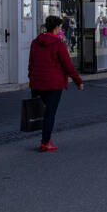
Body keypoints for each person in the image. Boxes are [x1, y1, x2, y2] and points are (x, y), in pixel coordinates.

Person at [27, 15, 84, 152]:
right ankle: (45, 142)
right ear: (57, 28)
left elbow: (31, 63)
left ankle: (46, 139)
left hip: (37, 83)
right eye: (60, 27)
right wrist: (78, 81)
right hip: (53, 84)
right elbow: (68, 65)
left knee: (41, 111)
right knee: (49, 113)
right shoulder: (58, 44)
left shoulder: (35, 42)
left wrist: (31, 78)